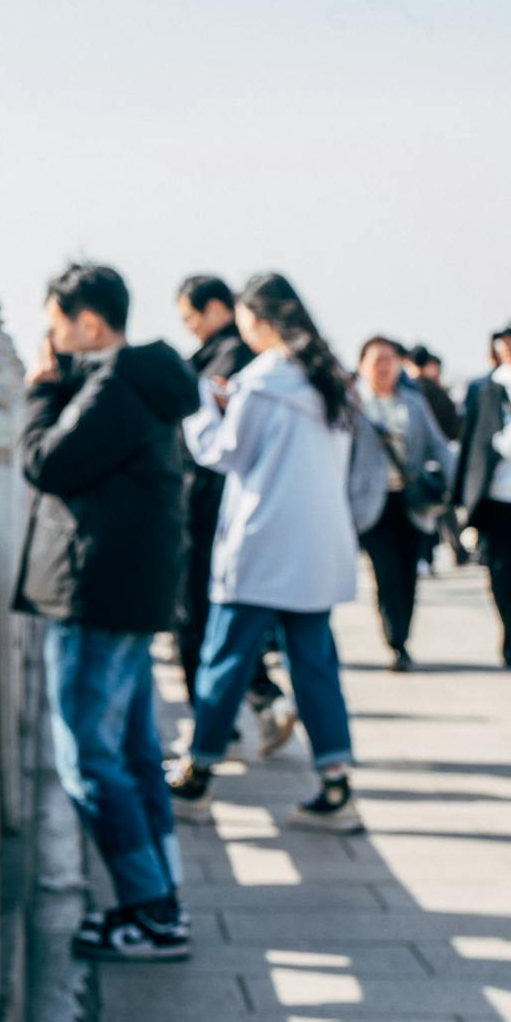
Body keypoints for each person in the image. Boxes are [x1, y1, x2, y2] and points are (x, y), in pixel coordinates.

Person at [15, 263, 199, 961]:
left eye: (57, 324)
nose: (52, 340)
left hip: (96, 593)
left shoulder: (118, 383)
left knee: (90, 758)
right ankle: (162, 894)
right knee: (132, 752)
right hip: (127, 590)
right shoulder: (138, 381)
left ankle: (151, 911)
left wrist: (39, 390)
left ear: (89, 323)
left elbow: (48, 461)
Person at [168, 271, 362, 832]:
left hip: (262, 541)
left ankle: (197, 772)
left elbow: (222, 453)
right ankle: (335, 782)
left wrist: (205, 405)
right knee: (315, 664)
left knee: (224, 658)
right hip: (316, 545)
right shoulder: (327, 382)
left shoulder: (262, 381)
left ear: (258, 318)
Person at [174, 275, 294, 756]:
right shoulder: (252, 364)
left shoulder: (238, 364)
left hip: (215, 510)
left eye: (190, 316)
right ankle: (254, 707)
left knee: (200, 621)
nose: (189, 328)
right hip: (231, 512)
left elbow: (219, 447)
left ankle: (208, 741)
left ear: (221, 309)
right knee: (226, 625)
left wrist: (208, 400)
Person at [348, 336, 454, 670]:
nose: (382, 367)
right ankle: (395, 640)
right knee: (387, 571)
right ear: (362, 365)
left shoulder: (413, 403)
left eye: (389, 360)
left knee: (408, 571)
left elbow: (438, 445)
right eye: (375, 360)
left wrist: (452, 486)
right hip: (371, 503)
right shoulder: (352, 406)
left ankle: (403, 637)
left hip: (411, 502)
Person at [452, 317, 511, 668]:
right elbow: (472, 442)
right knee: (505, 576)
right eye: (503, 343)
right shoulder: (487, 388)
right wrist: (464, 496)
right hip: (501, 498)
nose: (507, 349)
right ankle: (507, 632)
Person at [405, 345, 469, 568]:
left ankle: (427, 556)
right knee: (441, 510)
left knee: (424, 512)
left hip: (417, 463)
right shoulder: (437, 391)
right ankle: (453, 550)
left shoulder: (409, 392)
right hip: (441, 459)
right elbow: (455, 425)